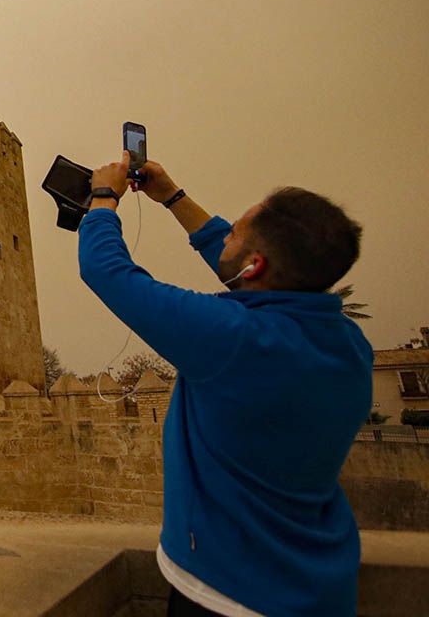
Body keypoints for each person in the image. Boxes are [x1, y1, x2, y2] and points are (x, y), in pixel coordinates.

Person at [78, 151, 371, 617]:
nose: (223, 232)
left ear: (254, 266)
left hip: (227, 595)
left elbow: (106, 271)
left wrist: (103, 197)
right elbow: (250, 270)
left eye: (233, 230)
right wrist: (172, 197)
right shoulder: (349, 345)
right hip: (320, 587)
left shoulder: (233, 338)